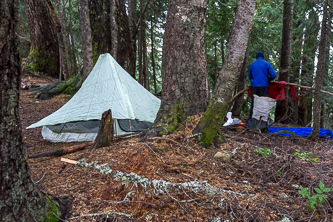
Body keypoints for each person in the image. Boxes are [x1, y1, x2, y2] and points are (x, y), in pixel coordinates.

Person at [248, 51, 276, 119]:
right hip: (264, 86)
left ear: (256, 57)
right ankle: (262, 119)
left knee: (254, 103)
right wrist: (268, 79)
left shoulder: (252, 64)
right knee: (263, 103)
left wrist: (254, 80)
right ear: (263, 57)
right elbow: (273, 74)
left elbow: (250, 76)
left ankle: (252, 119)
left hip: (255, 86)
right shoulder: (267, 64)